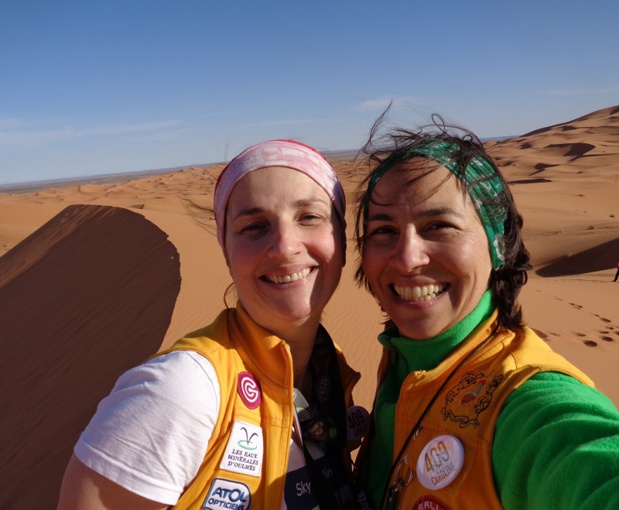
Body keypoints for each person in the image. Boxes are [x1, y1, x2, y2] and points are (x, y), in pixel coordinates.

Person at [57, 140, 365, 509]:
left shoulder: (330, 372)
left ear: (342, 240)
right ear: (226, 251)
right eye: (254, 226)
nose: (284, 247)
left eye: (309, 217)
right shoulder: (178, 392)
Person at [352, 116, 619, 509]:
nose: (407, 258)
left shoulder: (525, 400)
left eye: (439, 225)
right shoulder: (400, 365)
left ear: (498, 245)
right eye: (383, 230)